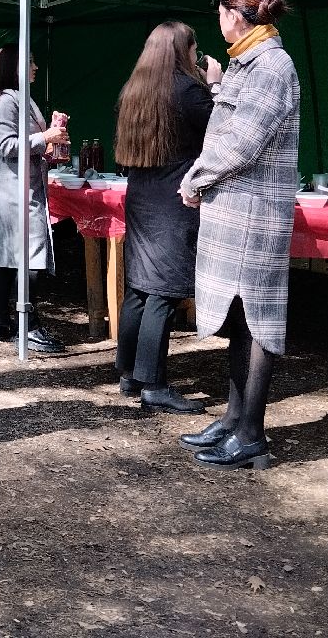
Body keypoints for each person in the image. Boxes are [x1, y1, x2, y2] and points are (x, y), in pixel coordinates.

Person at [177, 0, 299, 470]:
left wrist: (196, 178)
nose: (219, 22)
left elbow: (244, 139)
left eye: (221, 13)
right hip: (236, 211)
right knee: (240, 320)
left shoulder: (273, 65)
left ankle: (251, 433)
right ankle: (232, 420)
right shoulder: (248, 61)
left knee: (258, 320)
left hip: (255, 214)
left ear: (235, 15)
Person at [113, 22, 219, 414]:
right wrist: (214, 83)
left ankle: (128, 373)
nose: (197, 55)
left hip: (140, 196)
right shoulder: (188, 90)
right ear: (183, 50)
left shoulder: (133, 90)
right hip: (174, 199)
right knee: (162, 291)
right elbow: (221, 131)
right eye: (194, 48)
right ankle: (153, 384)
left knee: (140, 287)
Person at [0, 44, 70, 353]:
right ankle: (27, 326)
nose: (35, 68)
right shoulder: (5, 100)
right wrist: (44, 138)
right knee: (28, 256)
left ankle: (0, 323)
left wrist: (53, 136)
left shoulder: (22, 98)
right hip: (15, 189)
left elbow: (29, 144)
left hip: (23, 185)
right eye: (30, 63)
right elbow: (7, 145)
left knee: (9, 257)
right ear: (15, 66)